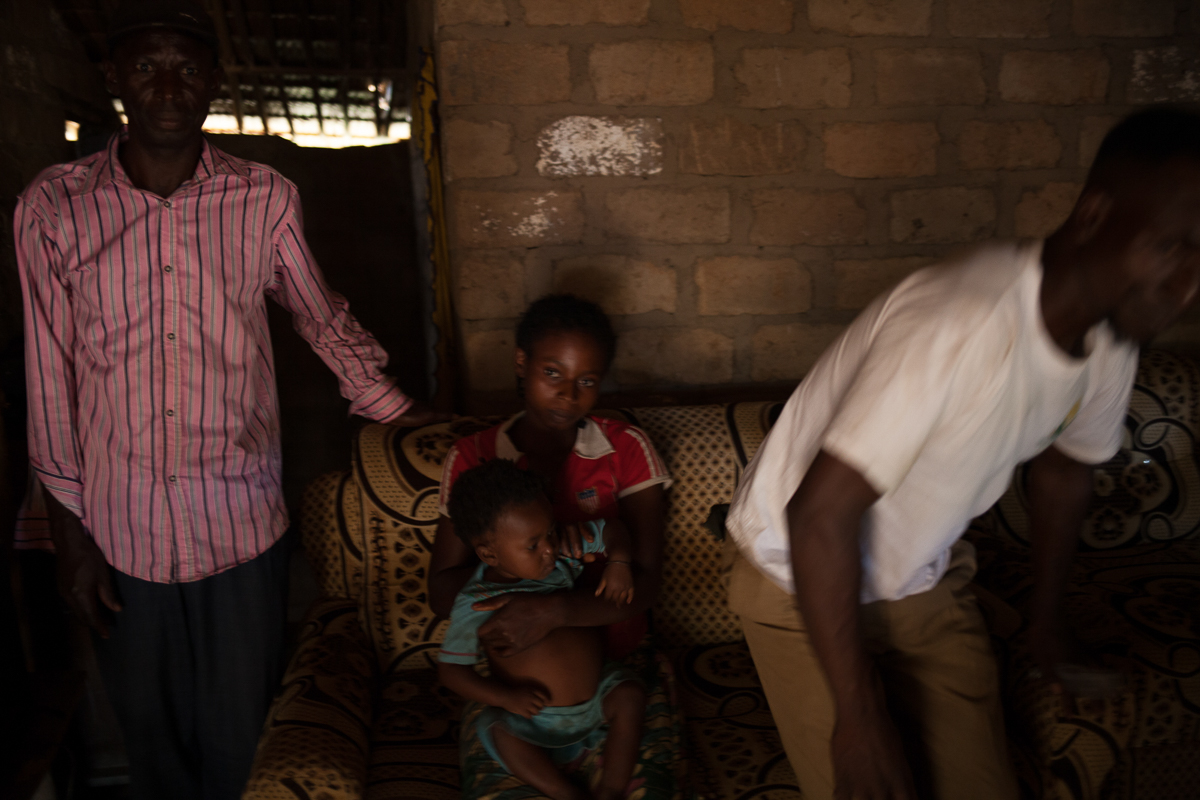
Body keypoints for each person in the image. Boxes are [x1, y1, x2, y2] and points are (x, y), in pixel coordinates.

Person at [14, 2, 443, 798]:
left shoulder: (264, 197)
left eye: (186, 67)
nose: (168, 87)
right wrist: (67, 534)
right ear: (114, 79)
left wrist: (390, 405)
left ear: (214, 80)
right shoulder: (54, 206)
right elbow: (47, 371)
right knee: (153, 741)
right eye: (146, 67)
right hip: (118, 527)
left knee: (244, 737)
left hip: (241, 519)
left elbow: (319, 312)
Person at [724, 105, 1200, 800]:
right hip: (794, 577)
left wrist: (1046, 620)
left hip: (920, 579)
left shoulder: (1110, 336)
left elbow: (1066, 472)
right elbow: (819, 518)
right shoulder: (959, 320)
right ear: (1095, 215)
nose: (1188, 288)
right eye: (1171, 247)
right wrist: (859, 718)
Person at [430, 294, 672, 660]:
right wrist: (522, 576)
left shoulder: (626, 448)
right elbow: (441, 590)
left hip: (617, 655)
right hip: (520, 668)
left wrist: (556, 610)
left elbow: (648, 582)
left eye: (587, 381)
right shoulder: (473, 455)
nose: (567, 395)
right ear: (521, 362)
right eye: (552, 372)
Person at [439, 459, 645, 800]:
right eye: (533, 545)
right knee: (494, 727)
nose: (549, 548)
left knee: (630, 696)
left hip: (597, 697)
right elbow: (451, 671)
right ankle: (565, 793)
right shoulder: (475, 602)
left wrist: (619, 560)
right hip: (534, 718)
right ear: (489, 554)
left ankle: (610, 790)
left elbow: (612, 529)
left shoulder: (562, 552)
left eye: (550, 531)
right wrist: (505, 697)